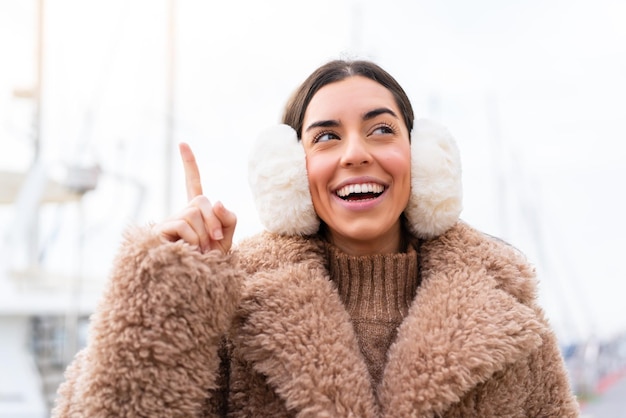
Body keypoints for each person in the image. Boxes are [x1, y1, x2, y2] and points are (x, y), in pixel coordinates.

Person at [52, 60, 580, 417]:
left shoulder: (507, 315)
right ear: (288, 171)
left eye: (380, 129)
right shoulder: (233, 308)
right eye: (326, 136)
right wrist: (173, 294)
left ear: (423, 159)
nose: (355, 153)